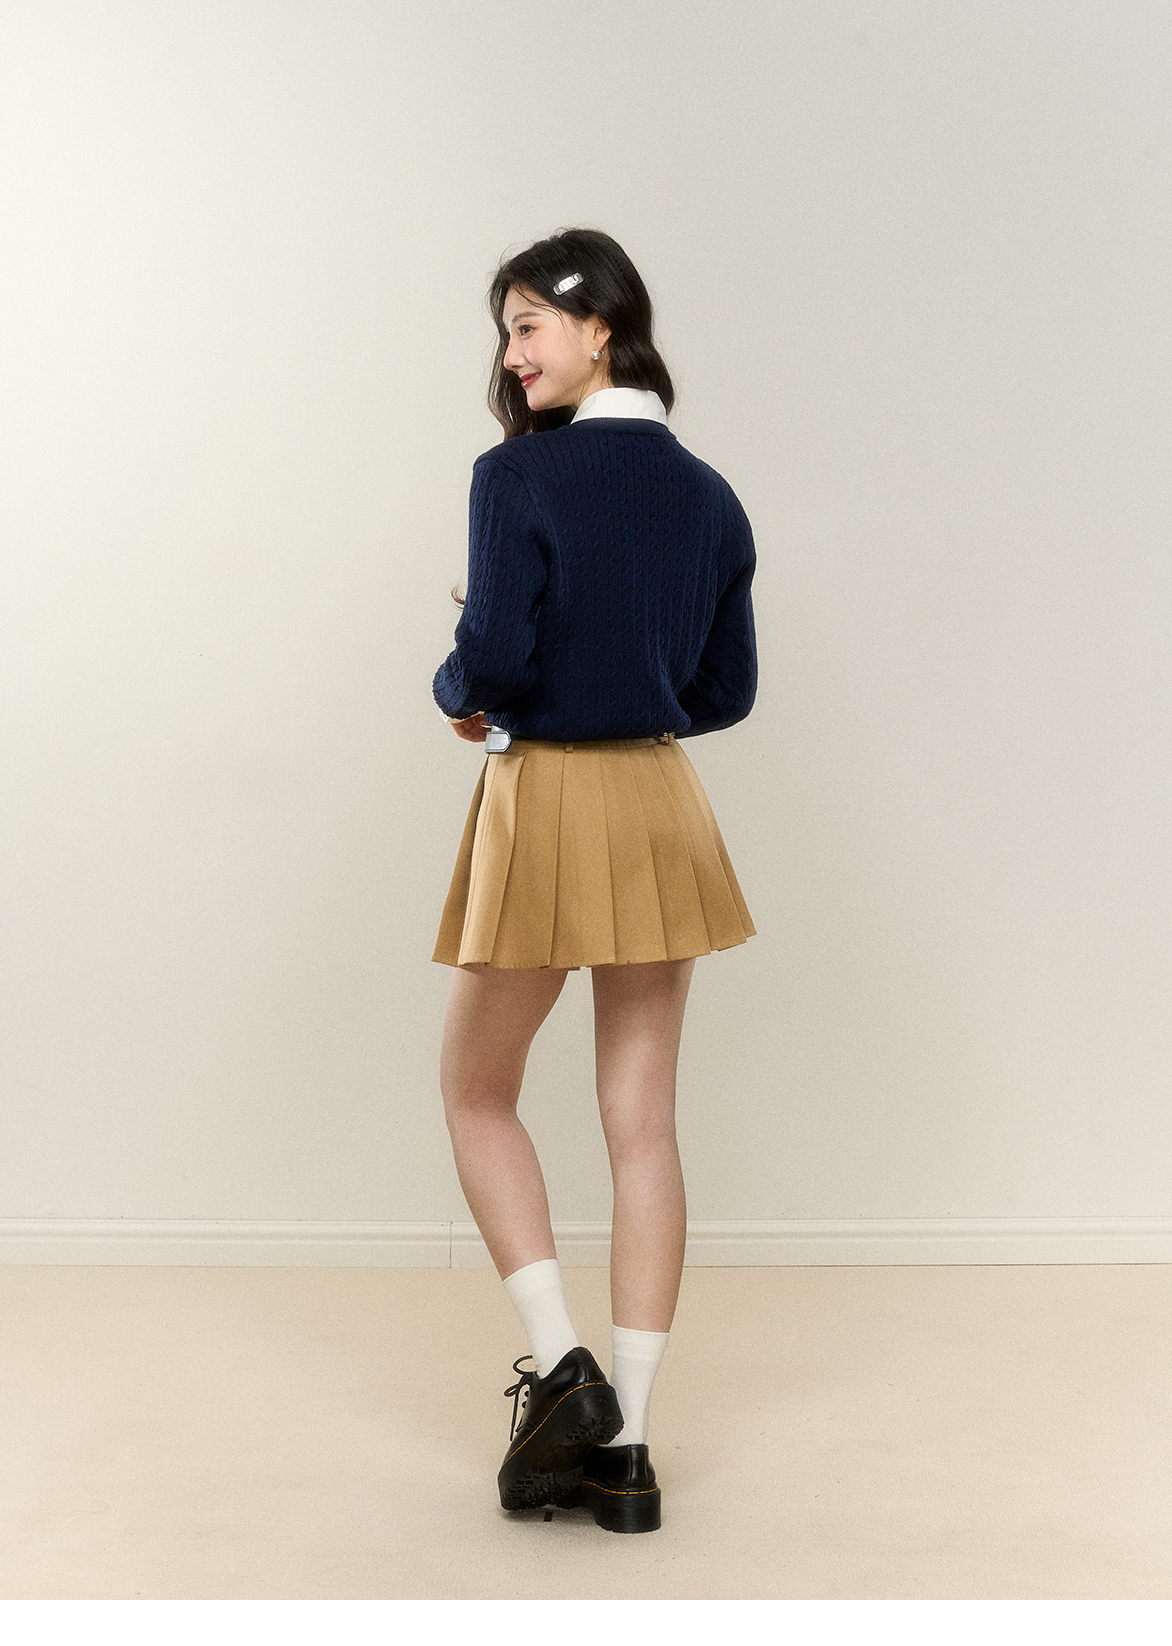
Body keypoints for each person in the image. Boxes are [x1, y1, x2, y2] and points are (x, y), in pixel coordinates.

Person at [431, 227, 758, 1535]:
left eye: (526, 325)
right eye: (505, 332)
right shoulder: (712, 495)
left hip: (550, 795)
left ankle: (561, 1366)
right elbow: (723, 691)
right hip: (661, 805)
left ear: (599, 327)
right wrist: (630, 664)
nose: (511, 354)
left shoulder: (516, 476)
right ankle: (628, 1449)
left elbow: (496, 660)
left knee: (476, 1089)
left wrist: (461, 676)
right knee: (644, 1124)